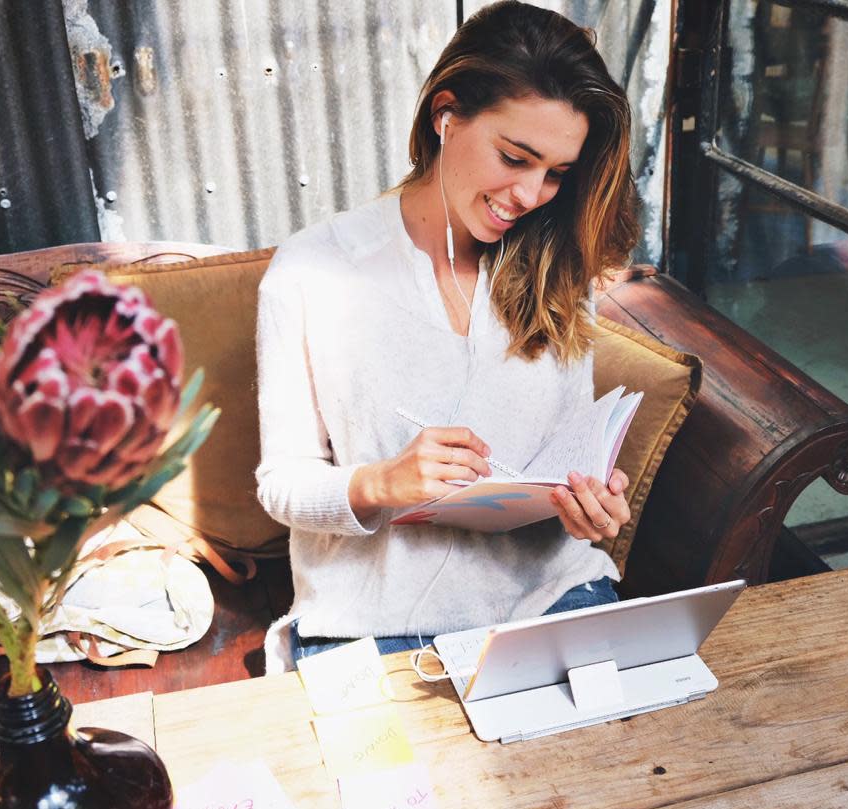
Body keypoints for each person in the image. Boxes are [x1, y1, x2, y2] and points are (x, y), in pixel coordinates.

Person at [256, 1, 641, 673]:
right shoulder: (314, 270)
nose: (530, 194)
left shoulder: (558, 270)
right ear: (446, 114)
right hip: (371, 625)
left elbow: (571, 451)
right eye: (515, 157)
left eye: (555, 172)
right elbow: (281, 483)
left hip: (551, 599)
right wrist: (382, 481)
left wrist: (590, 502)